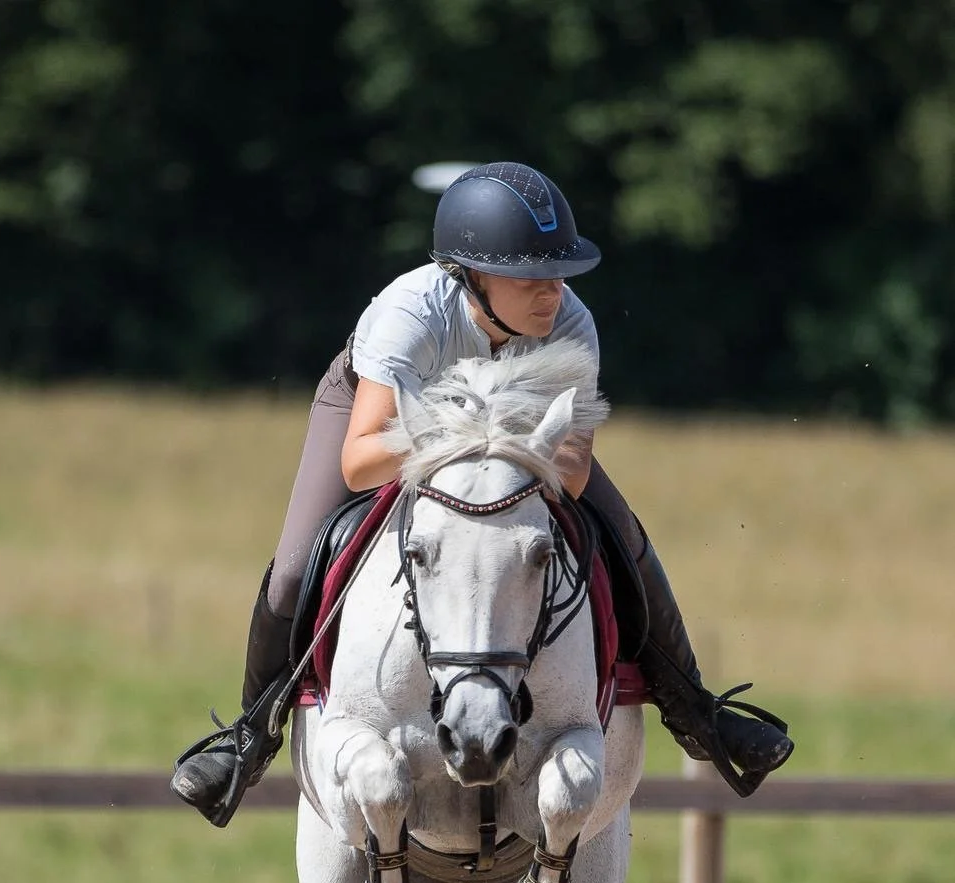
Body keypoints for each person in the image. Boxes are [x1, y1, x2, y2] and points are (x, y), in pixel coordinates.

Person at [171, 161, 792, 825]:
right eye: (531, 275)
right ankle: (246, 740)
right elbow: (360, 461)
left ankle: (698, 714)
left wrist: (501, 440)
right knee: (296, 568)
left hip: (516, 444)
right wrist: (465, 433)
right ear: (471, 273)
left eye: (560, 271)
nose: (553, 291)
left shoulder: (571, 322)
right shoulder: (410, 314)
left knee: (624, 538)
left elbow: (575, 468)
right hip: (377, 419)